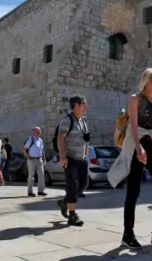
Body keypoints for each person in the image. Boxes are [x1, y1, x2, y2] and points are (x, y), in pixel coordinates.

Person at [108, 68, 152, 250]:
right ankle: (127, 234)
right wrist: (138, 149)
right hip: (138, 142)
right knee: (134, 190)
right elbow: (132, 125)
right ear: (145, 80)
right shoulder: (135, 99)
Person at [56, 95, 90, 227]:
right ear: (75, 105)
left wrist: (86, 153)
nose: (85, 107)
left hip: (81, 158)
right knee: (72, 185)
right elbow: (60, 137)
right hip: (69, 157)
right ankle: (72, 215)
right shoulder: (67, 119)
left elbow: (86, 138)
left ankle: (65, 201)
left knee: (83, 185)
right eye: (83, 104)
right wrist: (63, 155)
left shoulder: (84, 120)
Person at [23, 127, 47, 197]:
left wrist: (44, 159)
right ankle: (30, 191)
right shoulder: (31, 139)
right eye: (37, 131)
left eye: (40, 131)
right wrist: (28, 157)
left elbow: (42, 150)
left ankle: (41, 191)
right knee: (31, 176)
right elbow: (24, 149)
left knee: (41, 175)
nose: (39, 132)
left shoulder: (40, 140)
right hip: (32, 159)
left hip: (39, 159)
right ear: (34, 132)